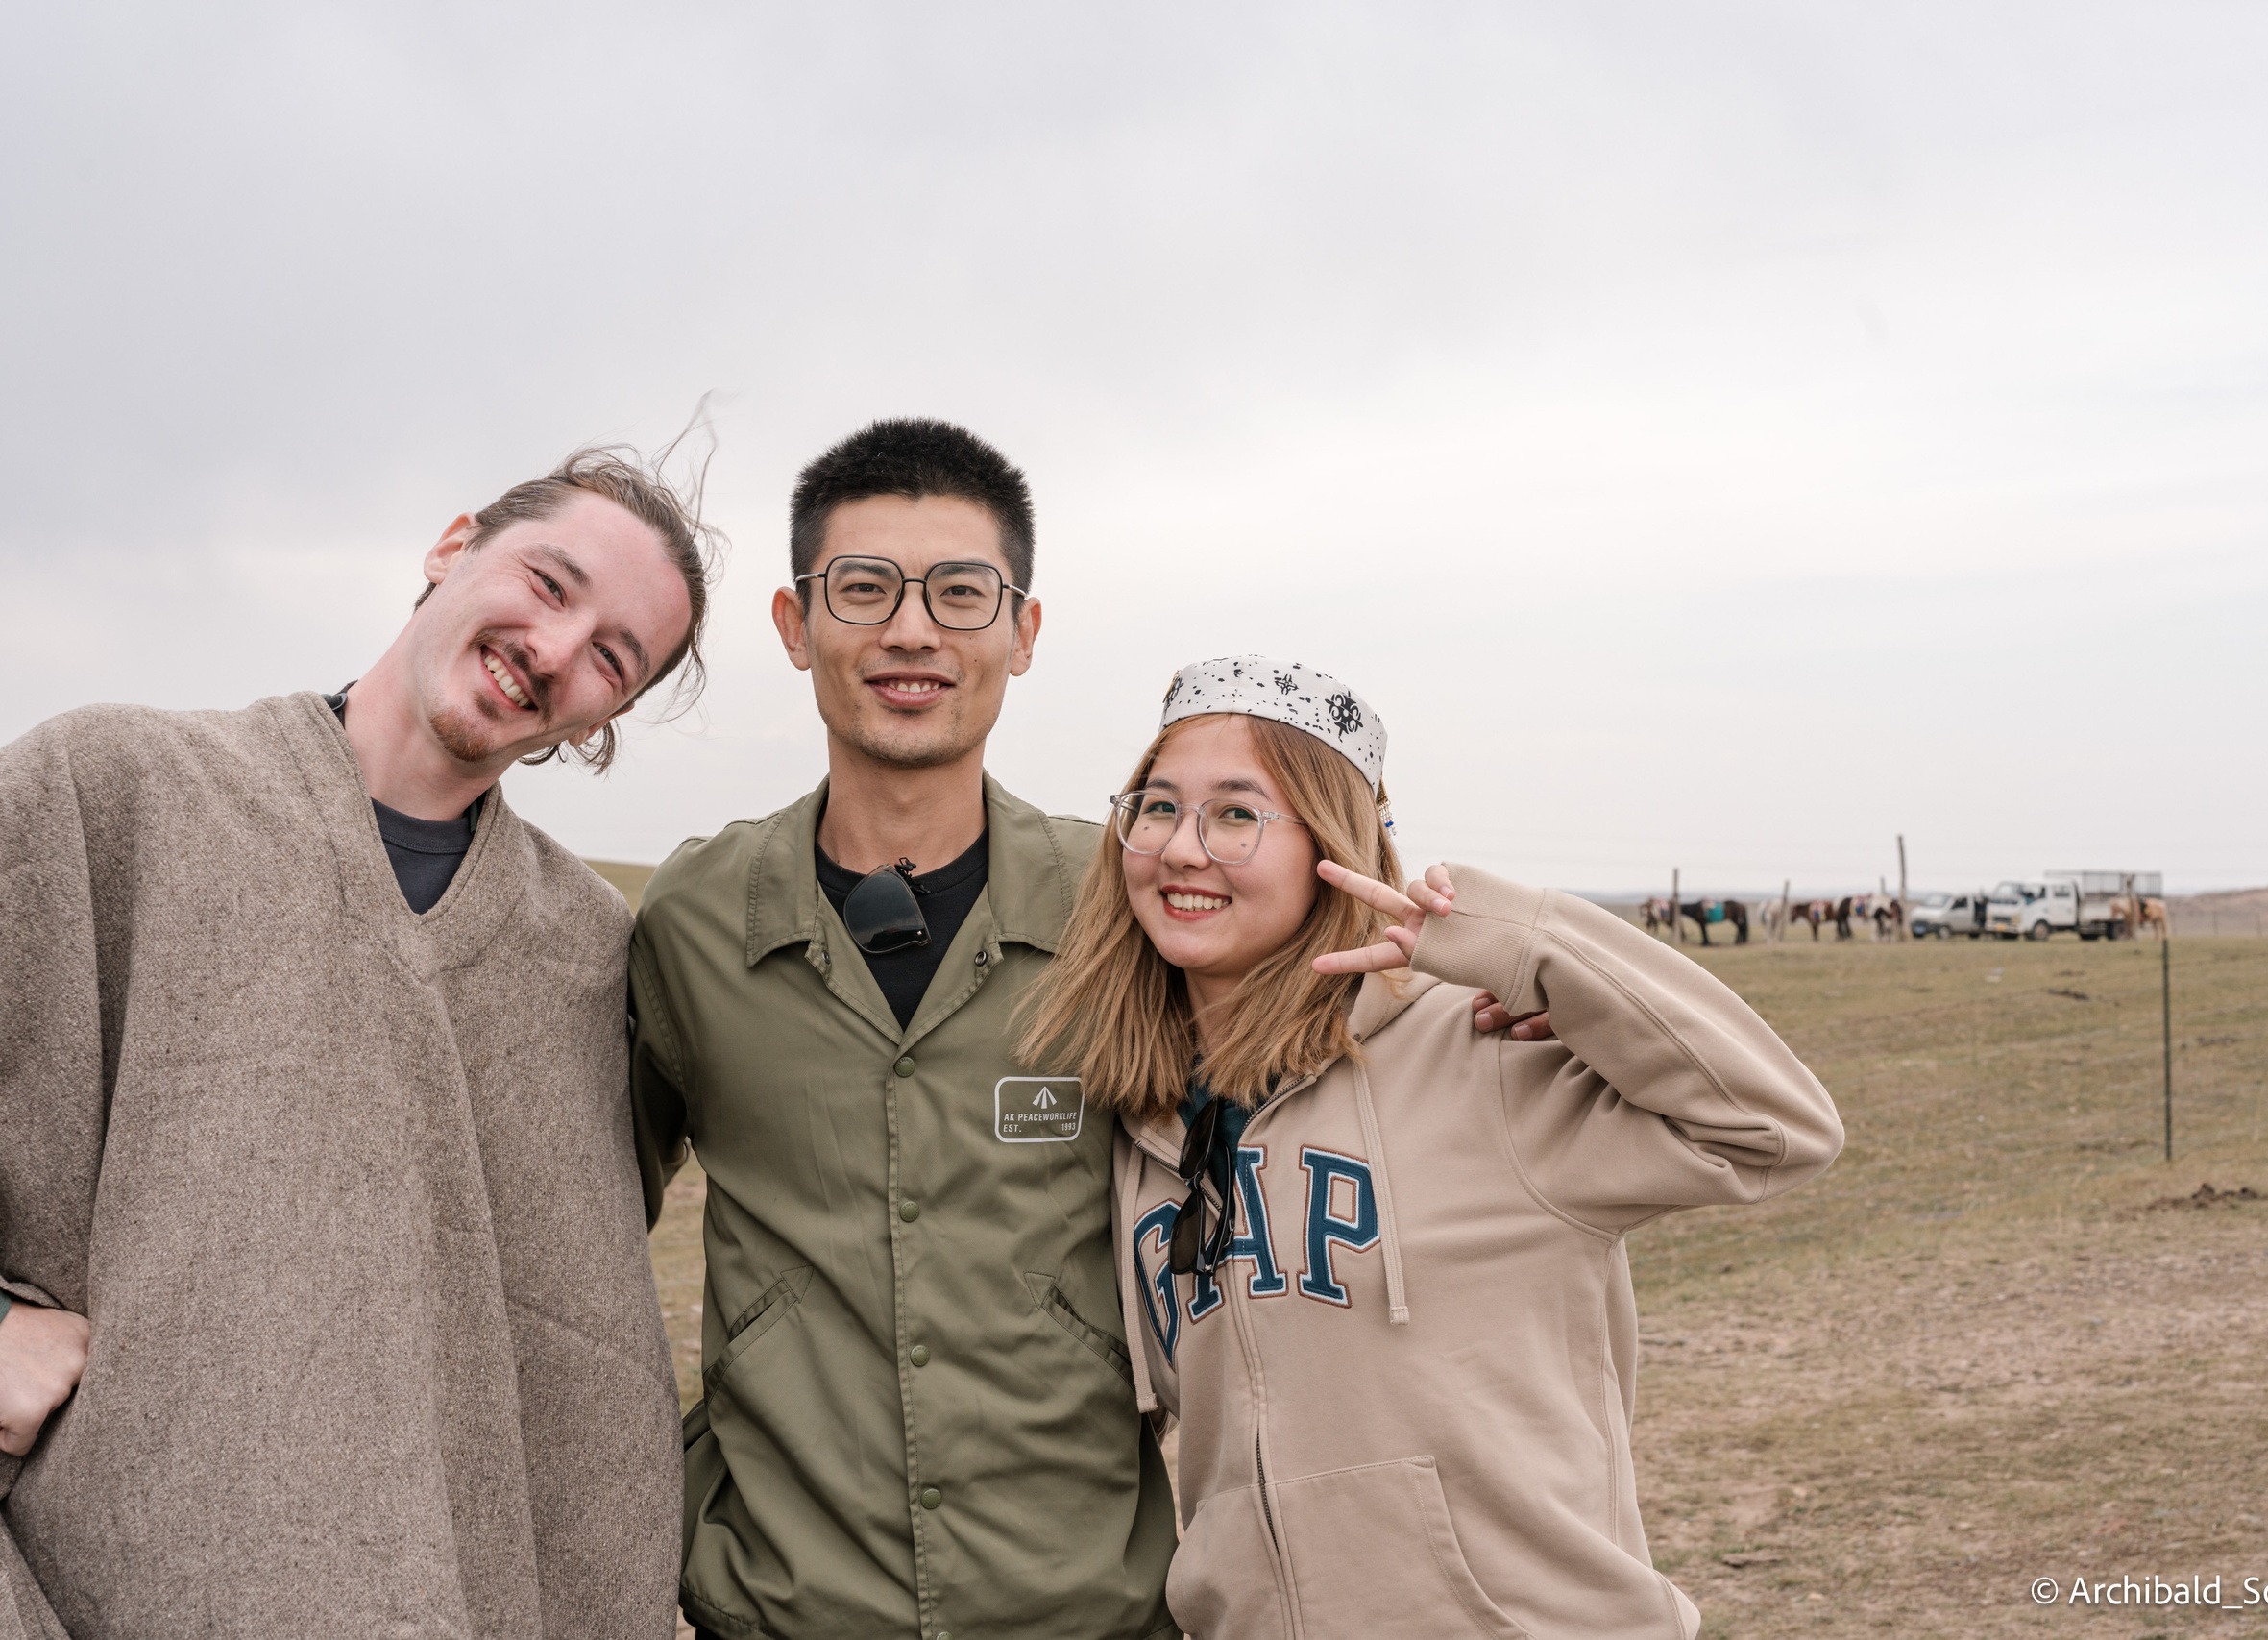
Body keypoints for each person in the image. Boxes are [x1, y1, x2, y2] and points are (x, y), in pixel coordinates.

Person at [628, 422, 1547, 1640]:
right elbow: (581, 1228)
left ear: (1022, 632)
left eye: (962, 592)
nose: (913, 630)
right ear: (798, 629)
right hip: (784, 1607)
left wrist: (1505, 1000)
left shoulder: (1128, 903)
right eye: (863, 588)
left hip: (1088, 1605)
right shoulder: (693, 921)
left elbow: (1310, 1035)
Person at [0, 447, 711, 1640]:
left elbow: (583, 1336)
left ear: (608, 718)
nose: (554, 649)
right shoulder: (110, 790)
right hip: (117, 1582)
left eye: (612, 657)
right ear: (451, 547)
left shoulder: (587, 953)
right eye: (549, 583)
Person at [1020, 656, 1847, 1640]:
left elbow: (1777, 1129)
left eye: (1237, 814)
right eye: (1154, 808)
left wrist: (1527, 945)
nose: (1183, 848)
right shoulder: (1143, 1124)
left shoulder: (1485, 1049)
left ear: (1335, 843)